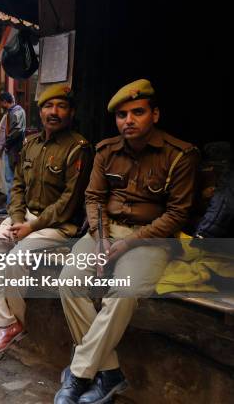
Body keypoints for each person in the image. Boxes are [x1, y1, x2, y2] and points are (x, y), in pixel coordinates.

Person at [55, 79, 200, 404]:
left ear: (155, 114)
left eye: (138, 112)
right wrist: (103, 238)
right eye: (122, 115)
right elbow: (93, 198)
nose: (129, 120)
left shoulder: (180, 155)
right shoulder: (106, 151)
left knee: (124, 291)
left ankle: (79, 374)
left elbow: (177, 215)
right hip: (104, 232)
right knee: (69, 282)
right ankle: (110, 373)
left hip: (151, 240)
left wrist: (129, 243)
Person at [0, 84, 92, 358]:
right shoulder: (30, 144)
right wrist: (17, 219)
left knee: (15, 259)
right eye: (48, 107)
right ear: (39, 112)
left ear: (71, 112)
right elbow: (17, 186)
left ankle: (15, 323)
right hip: (24, 218)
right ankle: (5, 321)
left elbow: (69, 201)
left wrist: (31, 227)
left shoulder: (79, 149)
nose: (54, 112)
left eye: (61, 107)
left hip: (57, 226)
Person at [0, 92, 26, 214]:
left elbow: (17, 130)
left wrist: (6, 144)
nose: (1, 105)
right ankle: (11, 205)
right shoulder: (15, 111)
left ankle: (11, 206)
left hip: (14, 150)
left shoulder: (15, 112)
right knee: (12, 179)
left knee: (11, 179)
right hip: (13, 149)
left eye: (1, 102)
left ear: (5, 101)